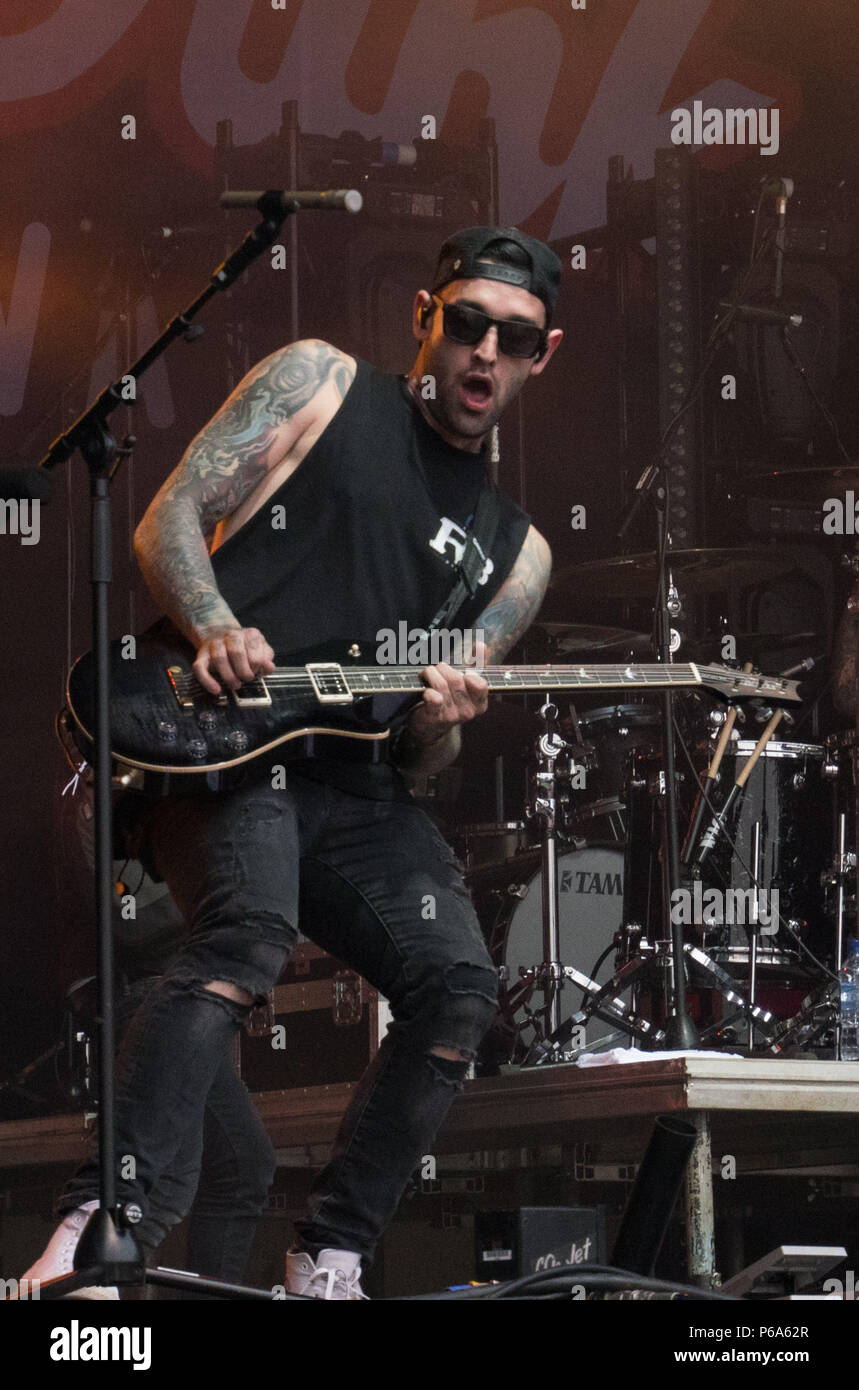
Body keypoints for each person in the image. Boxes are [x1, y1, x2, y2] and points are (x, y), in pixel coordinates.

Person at [24, 225, 563, 1300]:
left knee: (458, 984)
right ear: (425, 315)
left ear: (542, 355)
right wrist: (216, 623)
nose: (482, 354)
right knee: (249, 928)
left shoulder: (519, 554)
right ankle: (100, 1228)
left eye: (513, 338)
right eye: (465, 323)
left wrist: (446, 714)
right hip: (217, 740)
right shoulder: (319, 383)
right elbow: (166, 519)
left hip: (355, 788)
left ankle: (330, 1254)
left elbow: (420, 753)